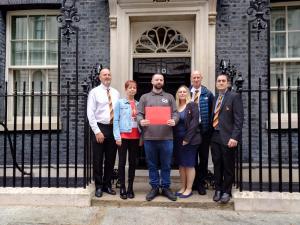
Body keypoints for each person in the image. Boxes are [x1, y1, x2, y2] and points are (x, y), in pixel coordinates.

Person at [137, 74, 178, 201]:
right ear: (152, 81)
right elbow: (139, 114)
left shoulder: (169, 97)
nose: (159, 81)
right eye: (156, 79)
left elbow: (175, 113)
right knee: (152, 164)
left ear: (163, 82)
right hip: (149, 138)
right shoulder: (144, 97)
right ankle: (154, 187)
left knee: (166, 164)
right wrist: (141, 121)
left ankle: (165, 187)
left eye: (161, 79)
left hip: (167, 137)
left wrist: (174, 120)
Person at [87, 68, 120, 198]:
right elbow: (90, 113)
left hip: (113, 128)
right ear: (100, 77)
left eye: (109, 74)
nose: (107, 76)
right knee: (98, 159)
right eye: (104, 75)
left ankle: (107, 185)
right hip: (100, 127)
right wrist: (97, 131)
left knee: (111, 159)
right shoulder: (94, 92)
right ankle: (99, 186)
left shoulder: (116, 93)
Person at [211, 74, 244, 204]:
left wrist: (234, 137)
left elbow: (239, 119)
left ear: (228, 84)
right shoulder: (215, 98)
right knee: (217, 164)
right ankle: (218, 189)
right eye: (218, 81)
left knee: (228, 166)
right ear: (216, 83)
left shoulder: (234, 97)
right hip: (215, 136)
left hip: (228, 137)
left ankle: (226, 191)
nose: (220, 83)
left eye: (223, 81)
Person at [113, 80, 140, 200]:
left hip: (135, 137)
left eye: (134, 87)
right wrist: (117, 136)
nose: (132, 89)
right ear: (126, 89)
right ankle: (122, 187)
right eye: (130, 87)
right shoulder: (120, 103)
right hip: (123, 136)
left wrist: (142, 136)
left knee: (133, 163)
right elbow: (116, 120)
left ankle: (130, 188)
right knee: (122, 163)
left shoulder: (139, 104)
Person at [173, 85, 201, 198]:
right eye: (180, 92)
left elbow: (194, 124)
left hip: (190, 140)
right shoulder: (175, 107)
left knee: (189, 164)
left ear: (188, 94)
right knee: (181, 165)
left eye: (185, 92)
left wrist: (186, 139)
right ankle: (183, 187)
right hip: (177, 140)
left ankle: (189, 189)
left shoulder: (192, 105)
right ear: (177, 94)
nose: (182, 93)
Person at [190, 70, 214, 195]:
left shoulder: (208, 94)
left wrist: (210, 130)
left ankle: (200, 183)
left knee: (203, 158)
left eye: (198, 77)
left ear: (201, 78)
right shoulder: (186, 93)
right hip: (191, 132)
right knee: (192, 158)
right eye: (194, 77)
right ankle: (192, 182)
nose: (196, 79)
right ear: (191, 78)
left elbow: (212, 113)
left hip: (203, 131)